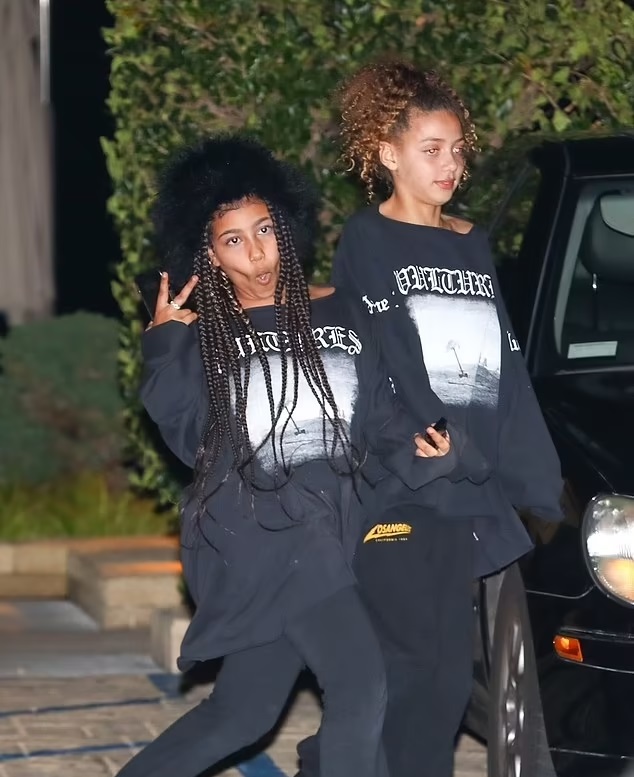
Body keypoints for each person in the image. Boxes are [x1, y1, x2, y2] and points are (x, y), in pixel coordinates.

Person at [115, 134, 474, 777]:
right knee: (361, 686)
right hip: (262, 537)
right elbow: (189, 438)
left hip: (329, 536)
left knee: (242, 714)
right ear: (210, 255)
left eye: (263, 230)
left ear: (285, 227)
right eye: (233, 241)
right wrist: (164, 343)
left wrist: (425, 450)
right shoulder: (207, 337)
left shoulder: (342, 312)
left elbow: (377, 421)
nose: (256, 253)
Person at [295, 61, 564, 777]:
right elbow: (372, 355)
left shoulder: (471, 243)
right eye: (432, 149)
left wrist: (535, 476)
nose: (451, 165)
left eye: (458, 150)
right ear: (388, 154)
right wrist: (421, 440)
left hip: (470, 489)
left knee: (446, 683)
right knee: (423, 675)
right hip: (407, 485)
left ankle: (329, 763)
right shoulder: (369, 239)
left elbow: (504, 363)